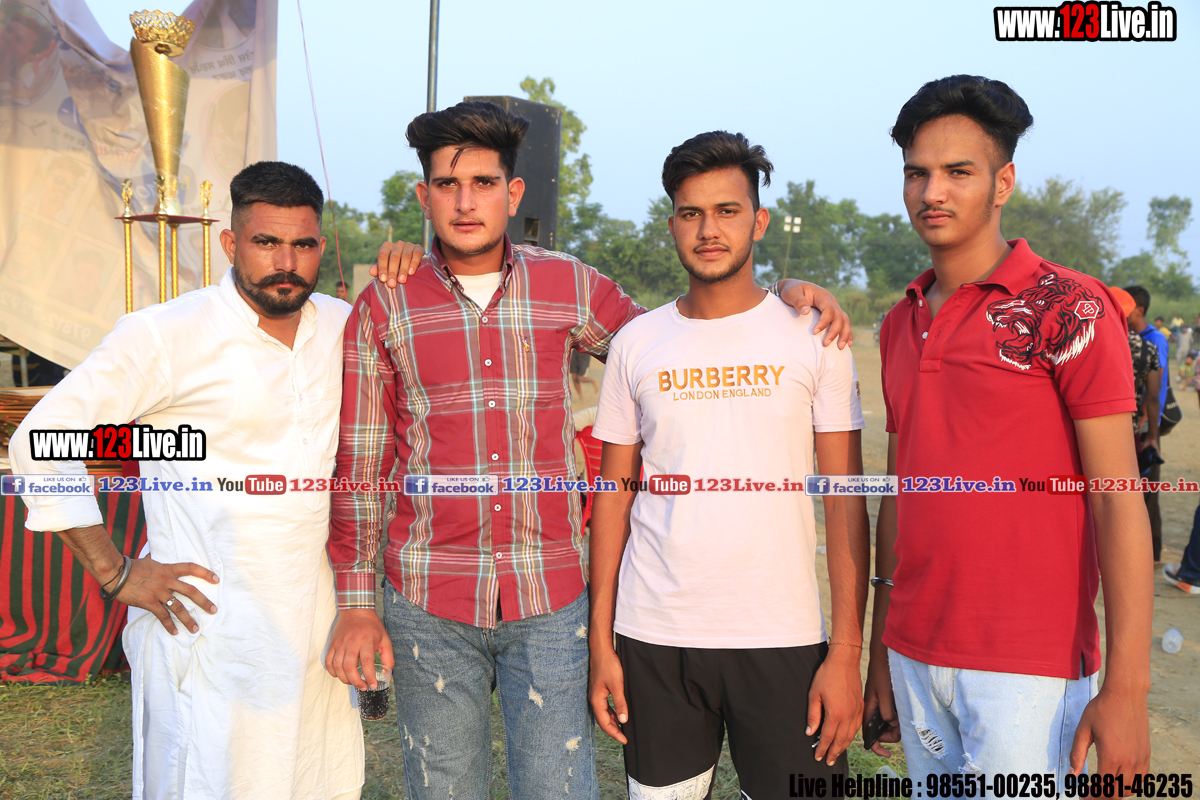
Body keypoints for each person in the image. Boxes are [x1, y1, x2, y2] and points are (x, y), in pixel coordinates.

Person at [323, 101, 852, 800]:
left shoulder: (568, 285)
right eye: (447, 185)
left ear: (513, 192)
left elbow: (682, 340)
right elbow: (360, 467)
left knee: (559, 787)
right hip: (428, 591)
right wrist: (358, 602)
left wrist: (780, 295)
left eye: (484, 183)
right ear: (424, 196)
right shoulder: (385, 305)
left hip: (550, 593)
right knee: (442, 788)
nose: (465, 202)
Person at [9, 161, 407, 800]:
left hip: (315, 627)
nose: (286, 262)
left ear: (320, 246)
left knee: (316, 783)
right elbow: (42, 441)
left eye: (303, 245)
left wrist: (411, 264)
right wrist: (115, 572)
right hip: (207, 631)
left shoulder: (343, 326)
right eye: (266, 242)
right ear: (229, 242)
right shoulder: (165, 335)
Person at [864, 75, 1151, 778]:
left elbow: (1118, 501)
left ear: (1003, 183)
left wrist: (1128, 689)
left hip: (1028, 668)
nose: (932, 192)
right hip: (914, 655)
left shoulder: (1070, 308)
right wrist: (880, 653)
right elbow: (901, 492)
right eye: (917, 173)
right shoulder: (900, 322)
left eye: (958, 172)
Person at [587, 131, 870, 797]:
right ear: (672, 225)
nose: (708, 230)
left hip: (783, 634)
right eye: (691, 213)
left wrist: (846, 653)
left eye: (727, 211)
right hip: (655, 635)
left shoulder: (816, 337)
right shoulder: (637, 343)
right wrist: (601, 642)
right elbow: (613, 497)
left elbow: (845, 500)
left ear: (759, 221)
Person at [1126, 285, 1168, 563]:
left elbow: (1157, 391)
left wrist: (1152, 427)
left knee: (1148, 491)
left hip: (1146, 424)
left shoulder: (1155, 340)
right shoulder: (1141, 340)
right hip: (1139, 424)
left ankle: (1151, 552)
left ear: (1139, 310)